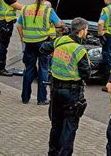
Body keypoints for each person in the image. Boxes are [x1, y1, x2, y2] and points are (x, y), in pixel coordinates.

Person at [39, 17, 92, 156]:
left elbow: (43, 48)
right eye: (86, 30)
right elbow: (86, 73)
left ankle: (53, 153)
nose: (87, 32)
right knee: (69, 127)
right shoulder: (79, 50)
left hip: (55, 90)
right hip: (72, 93)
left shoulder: (59, 41)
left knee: (56, 125)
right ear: (81, 31)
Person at [17, 0, 63, 105]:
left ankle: (25, 98)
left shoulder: (25, 9)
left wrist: (23, 38)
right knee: (43, 70)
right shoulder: (48, 11)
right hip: (43, 44)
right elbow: (58, 24)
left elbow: (18, 26)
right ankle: (41, 99)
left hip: (29, 44)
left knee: (29, 70)